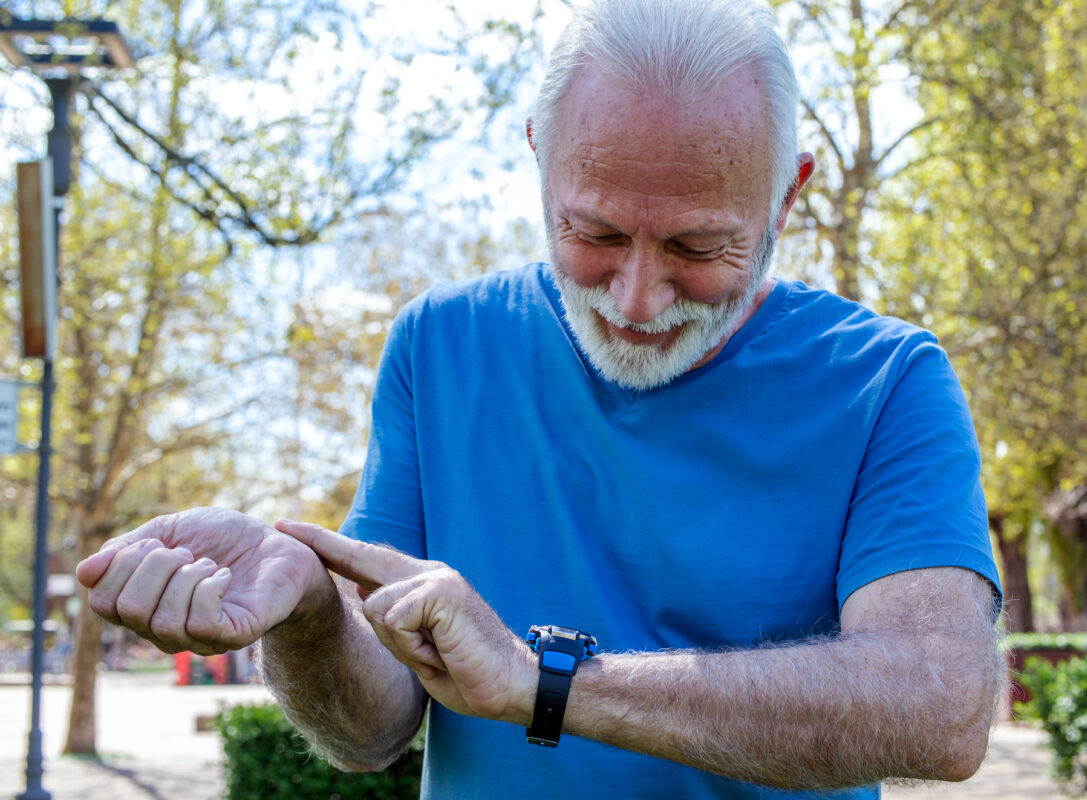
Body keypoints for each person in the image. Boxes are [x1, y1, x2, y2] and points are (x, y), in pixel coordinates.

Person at [76, 0, 1005, 797]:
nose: (638, 298)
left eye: (698, 248)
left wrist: (544, 683)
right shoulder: (439, 345)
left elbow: (943, 702)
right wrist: (310, 616)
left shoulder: (889, 380)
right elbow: (371, 731)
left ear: (787, 197)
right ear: (538, 156)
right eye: (593, 230)